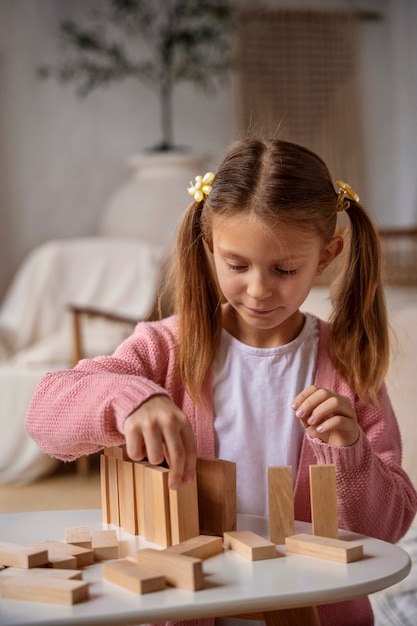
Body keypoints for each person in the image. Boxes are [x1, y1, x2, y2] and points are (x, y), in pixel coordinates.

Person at [25, 138, 417, 626]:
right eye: (237, 265)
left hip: (318, 612)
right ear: (209, 246)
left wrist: (351, 451)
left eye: (284, 269)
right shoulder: (166, 348)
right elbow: (45, 415)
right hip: (190, 610)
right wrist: (132, 399)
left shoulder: (349, 365)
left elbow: (390, 528)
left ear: (326, 255)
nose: (258, 288)